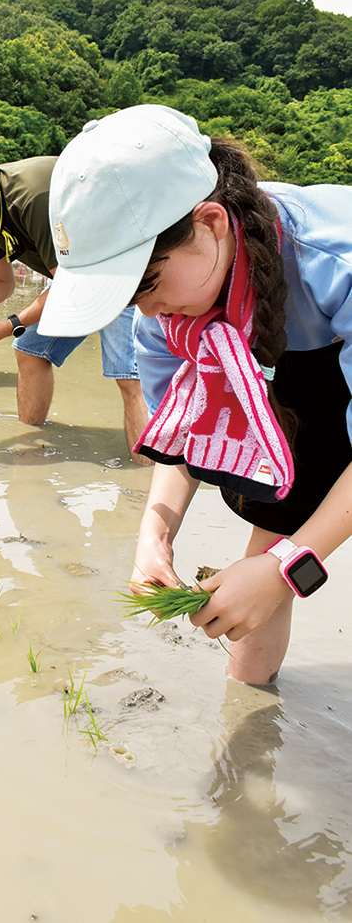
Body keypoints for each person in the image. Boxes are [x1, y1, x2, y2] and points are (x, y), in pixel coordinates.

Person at [40, 102, 352, 686]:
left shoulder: (335, 262)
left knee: (271, 558)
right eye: (129, 296)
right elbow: (185, 433)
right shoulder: (167, 311)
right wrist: (154, 534)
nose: (148, 310)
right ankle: (249, 717)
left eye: (148, 284)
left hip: (330, 335)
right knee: (270, 532)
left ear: (210, 222)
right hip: (305, 351)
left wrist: (287, 569)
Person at [0, 156, 148, 451]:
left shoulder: (31, 198)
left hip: (122, 268)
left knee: (129, 376)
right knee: (30, 350)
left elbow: (71, 285)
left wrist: (8, 326)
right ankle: (30, 451)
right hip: (78, 278)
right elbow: (1, 282)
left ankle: (143, 487)